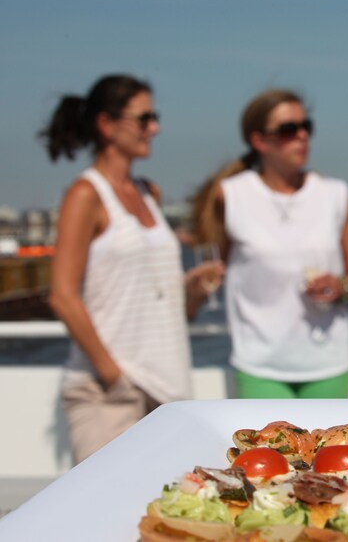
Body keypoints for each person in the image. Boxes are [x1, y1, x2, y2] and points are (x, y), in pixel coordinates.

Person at [42, 74, 224, 463]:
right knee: (101, 515)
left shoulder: (149, 192)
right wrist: (113, 375)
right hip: (111, 396)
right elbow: (62, 296)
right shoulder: (86, 195)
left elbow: (156, 301)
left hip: (166, 389)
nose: (154, 128)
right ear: (107, 125)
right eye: (144, 119)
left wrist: (190, 290)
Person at [195, 88, 348, 399]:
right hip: (259, 364)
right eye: (289, 129)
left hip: (328, 362)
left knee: (328, 450)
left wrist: (341, 287)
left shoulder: (334, 194)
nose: (302, 136)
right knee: (269, 450)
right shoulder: (231, 195)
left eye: (306, 127)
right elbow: (210, 265)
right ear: (259, 141)